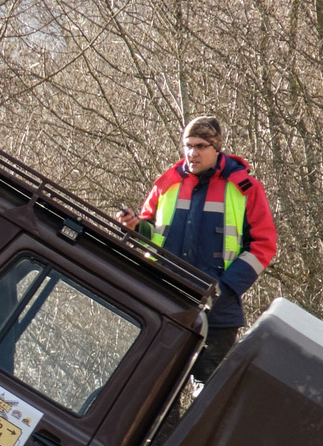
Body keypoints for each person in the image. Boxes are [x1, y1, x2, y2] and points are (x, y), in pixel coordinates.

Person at [117, 117, 278, 390]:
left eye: (200, 146)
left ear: (217, 148)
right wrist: (134, 226)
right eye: (188, 145)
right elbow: (151, 235)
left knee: (206, 397)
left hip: (218, 316)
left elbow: (263, 245)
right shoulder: (167, 183)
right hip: (165, 301)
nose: (192, 153)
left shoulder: (245, 188)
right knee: (151, 390)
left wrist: (224, 288)